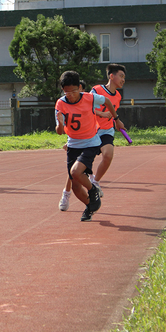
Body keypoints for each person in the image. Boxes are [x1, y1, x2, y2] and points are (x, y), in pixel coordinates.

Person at [55, 70, 118, 222]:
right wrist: (60, 124)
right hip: (73, 144)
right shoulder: (61, 103)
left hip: (91, 143)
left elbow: (107, 102)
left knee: (76, 172)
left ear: (80, 87)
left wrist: (116, 118)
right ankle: (90, 206)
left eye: (74, 91)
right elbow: (59, 131)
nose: (70, 95)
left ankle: (93, 189)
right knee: (76, 186)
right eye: (66, 92)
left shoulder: (90, 98)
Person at [88, 64, 127, 196]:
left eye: (124, 77)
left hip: (106, 130)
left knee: (108, 155)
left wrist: (116, 122)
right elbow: (86, 106)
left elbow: (113, 113)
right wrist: (101, 114)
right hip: (91, 131)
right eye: (121, 76)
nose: (123, 80)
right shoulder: (97, 90)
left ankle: (95, 182)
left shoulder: (118, 97)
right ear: (112, 76)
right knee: (85, 161)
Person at [58, 80, 85, 211]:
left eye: (76, 92)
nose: (74, 95)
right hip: (74, 141)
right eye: (70, 92)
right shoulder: (65, 104)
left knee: (79, 171)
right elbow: (64, 127)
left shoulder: (88, 103)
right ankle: (66, 194)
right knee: (73, 173)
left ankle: (94, 186)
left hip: (90, 140)